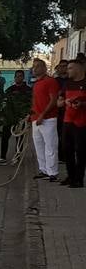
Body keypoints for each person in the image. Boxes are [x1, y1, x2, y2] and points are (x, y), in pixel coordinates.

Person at [30, 58, 61, 181]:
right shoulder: (36, 83)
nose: (35, 68)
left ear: (44, 68)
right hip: (35, 118)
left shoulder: (51, 81)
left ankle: (52, 172)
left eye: (38, 66)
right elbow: (35, 101)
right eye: (34, 66)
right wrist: (31, 114)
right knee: (39, 146)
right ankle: (43, 169)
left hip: (48, 119)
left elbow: (53, 100)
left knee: (50, 145)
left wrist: (42, 114)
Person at [58, 56, 86, 188]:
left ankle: (79, 179)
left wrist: (81, 103)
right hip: (67, 120)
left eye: (70, 68)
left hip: (81, 122)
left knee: (80, 151)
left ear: (78, 69)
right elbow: (59, 102)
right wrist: (64, 102)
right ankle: (71, 175)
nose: (67, 71)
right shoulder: (67, 84)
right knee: (66, 149)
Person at [0, 70, 29, 165]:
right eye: (16, 76)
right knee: (5, 137)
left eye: (20, 76)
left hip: (21, 118)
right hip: (9, 117)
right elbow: (5, 102)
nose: (18, 78)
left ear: (23, 77)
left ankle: (17, 156)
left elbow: (30, 104)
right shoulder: (10, 89)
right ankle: (3, 157)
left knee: (19, 138)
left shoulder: (28, 90)